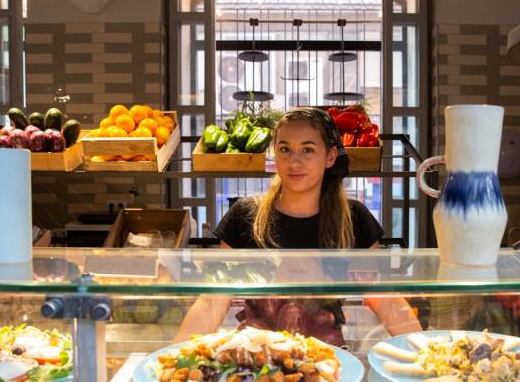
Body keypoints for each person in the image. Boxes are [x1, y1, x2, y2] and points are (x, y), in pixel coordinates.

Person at [174, 107, 420, 342]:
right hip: (256, 355)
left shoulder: (354, 218)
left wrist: (422, 353)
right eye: (285, 149)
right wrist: (173, 358)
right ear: (274, 153)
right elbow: (214, 300)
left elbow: (384, 299)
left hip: (327, 356)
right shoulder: (244, 215)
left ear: (330, 156)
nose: (294, 162)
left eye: (307, 150)